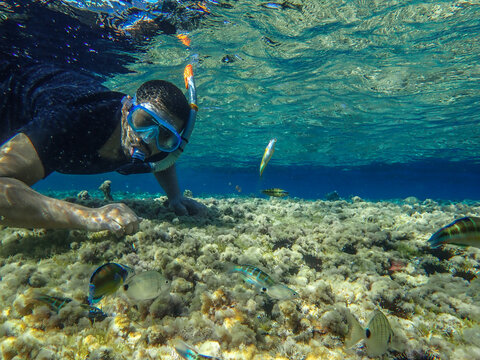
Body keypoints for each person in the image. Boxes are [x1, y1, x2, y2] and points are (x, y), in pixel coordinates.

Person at [0, 56, 205, 236]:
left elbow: (164, 161)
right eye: (144, 120)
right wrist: (91, 217)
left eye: (166, 136)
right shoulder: (70, 121)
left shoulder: (150, 145)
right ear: (126, 108)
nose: (148, 139)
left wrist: (175, 196)